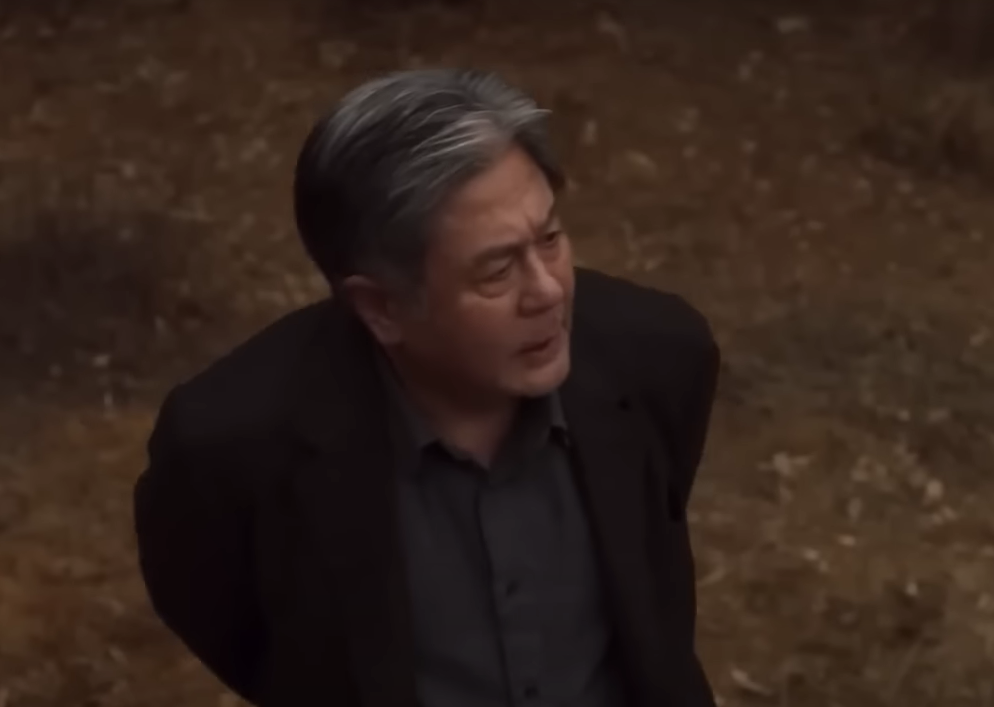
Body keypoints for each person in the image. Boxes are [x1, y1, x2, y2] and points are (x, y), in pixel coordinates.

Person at [134, 68, 721, 707]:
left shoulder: (657, 358)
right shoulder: (232, 449)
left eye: (549, 239)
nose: (549, 291)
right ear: (381, 308)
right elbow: (240, 631)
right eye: (496, 271)